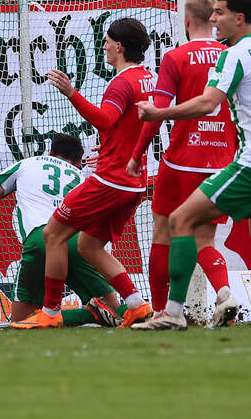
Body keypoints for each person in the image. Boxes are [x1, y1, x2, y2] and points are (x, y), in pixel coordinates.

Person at [12, 18, 155, 329]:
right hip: (134, 181)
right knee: (88, 245)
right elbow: (136, 125)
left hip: (110, 180)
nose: (103, 46)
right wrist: (114, 149)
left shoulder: (121, 82)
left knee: (53, 234)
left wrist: (70, 93)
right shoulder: (148, 78)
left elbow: (105, 120)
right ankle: (137, 305)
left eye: (106, 41)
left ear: (119, 46)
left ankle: (50, 314)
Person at [133, 0, 251, 330]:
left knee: (176, 222)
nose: (215, 20)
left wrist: (158, 116)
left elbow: (206, 103)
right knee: (199, 234)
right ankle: (218, 295)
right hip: (223, 159)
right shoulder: (226, 52)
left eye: (221, 13)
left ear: (238, 18)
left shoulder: (231, 55)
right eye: (212, 13)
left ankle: (168, 312)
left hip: (213, 164)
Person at [0, 133, 124, 326]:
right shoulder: (80, 176)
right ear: (79, 161)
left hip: (41, 239)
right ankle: (155, 310)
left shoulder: (28, 163)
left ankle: (91, 315)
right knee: (115, 311)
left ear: (50, 152)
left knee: (22, 322)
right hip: (77, 242)